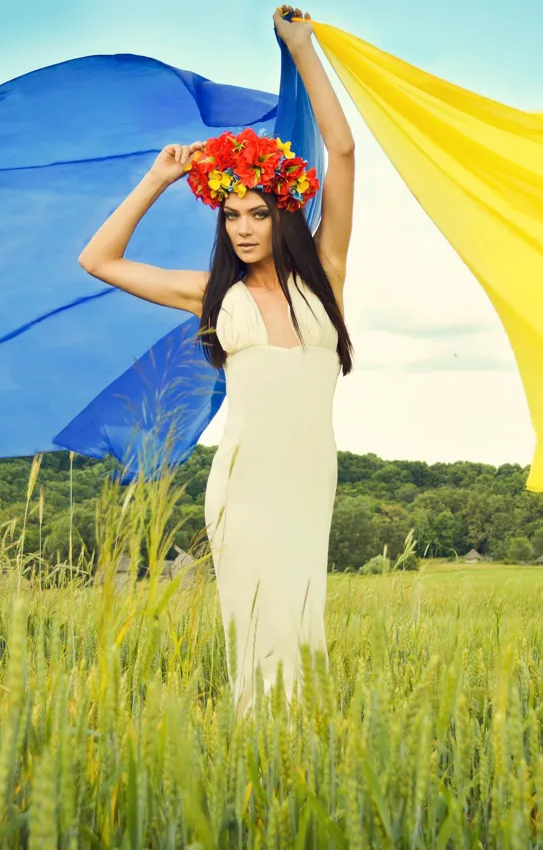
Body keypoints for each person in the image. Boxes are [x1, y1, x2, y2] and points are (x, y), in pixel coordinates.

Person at [77, 6, 355, 717]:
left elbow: (343, 151)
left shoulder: (324, 274)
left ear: (284, 213)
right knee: (257, 626)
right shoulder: (211, 294)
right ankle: (259, 748)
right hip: (245, 483)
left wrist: (303, 47)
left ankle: (291, 756)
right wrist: (156, 178)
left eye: (258, 213)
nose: (243, 227)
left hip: (310, 477)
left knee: (300, 621)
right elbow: (98, 260)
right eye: (232, 216)